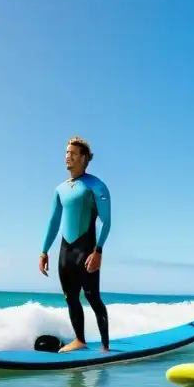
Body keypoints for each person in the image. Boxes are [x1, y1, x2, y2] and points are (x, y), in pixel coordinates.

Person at [39, 137, 112, 353]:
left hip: (87, 248)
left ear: (84, 158)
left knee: (92, 297)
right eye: (66, 152)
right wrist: (44, 251)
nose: (67, 156)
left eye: (72, 153)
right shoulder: (60, 189)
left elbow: (107, 221)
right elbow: (53, 222)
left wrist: (98, 251)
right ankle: (80, 340)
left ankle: (105, 346)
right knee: (70, 298)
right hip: (65, 251)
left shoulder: (96, 185)